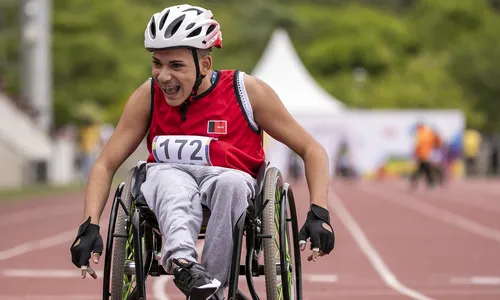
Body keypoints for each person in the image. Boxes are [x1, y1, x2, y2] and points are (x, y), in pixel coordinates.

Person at [69, 4, 335, 300]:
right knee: (171, 183)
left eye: (176, 66)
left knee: (231, 184)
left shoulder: (247, 91)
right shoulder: (148, 96)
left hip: (230, 178)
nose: (163, 76)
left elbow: (311, 149)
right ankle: (184, 264)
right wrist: (89, 224)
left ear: (205, 65)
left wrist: (319, 211)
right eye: (157, 63)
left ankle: (214, 289)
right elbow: (106, 164)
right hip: (167, 176)